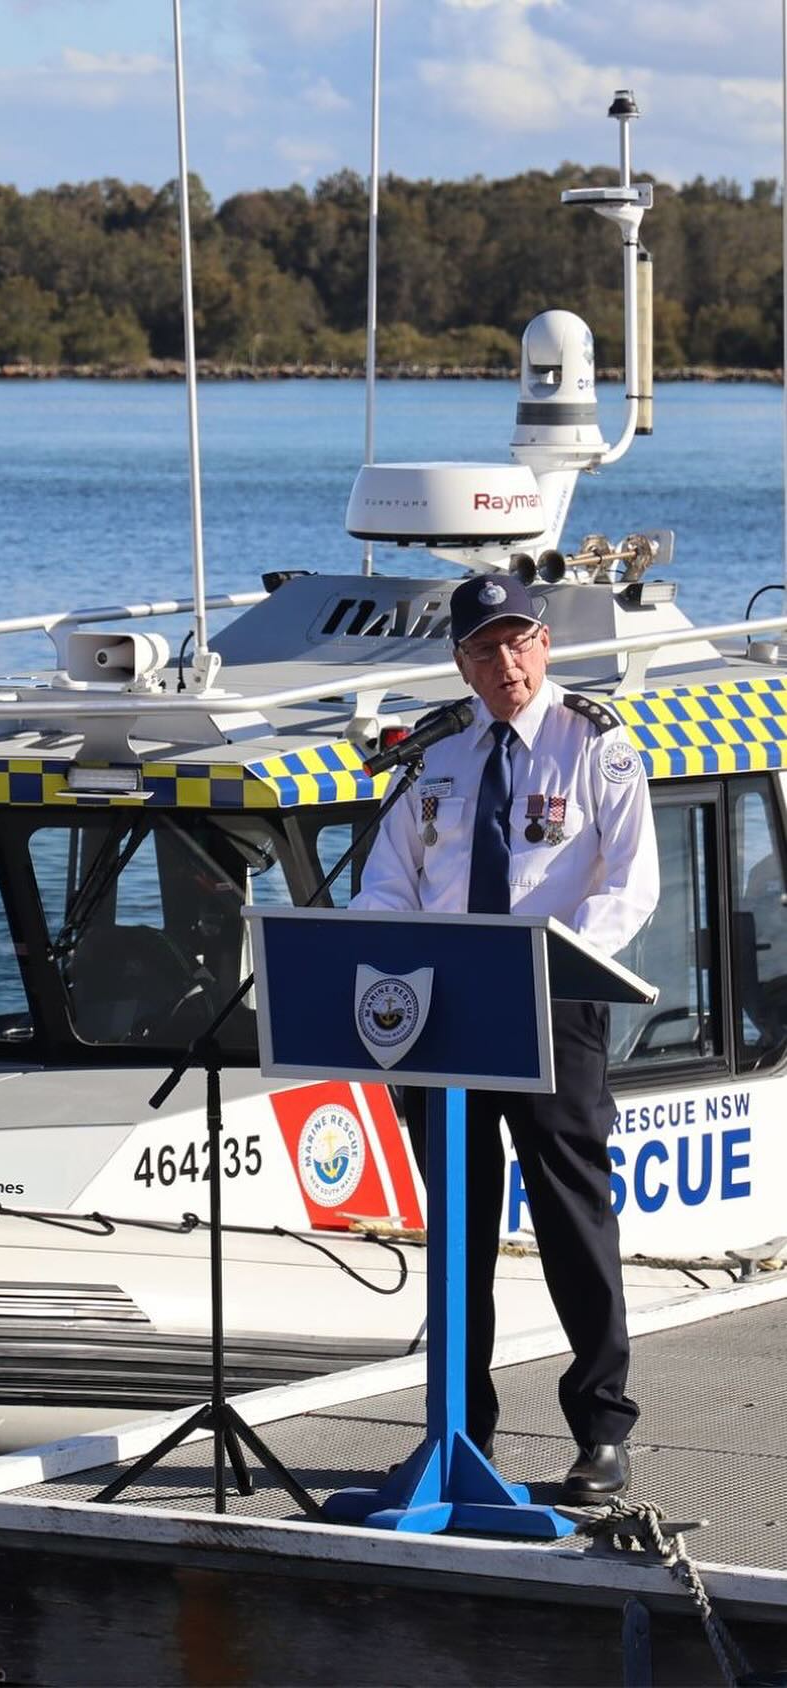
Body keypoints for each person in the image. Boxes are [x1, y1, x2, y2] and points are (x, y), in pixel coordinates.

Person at [351, 571, 659, 1500]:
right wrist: (384, 946)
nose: (506, 660)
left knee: (572, 1218)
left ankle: (602, 1428)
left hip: (551, 1008)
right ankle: (458, 1430)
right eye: (486, 647)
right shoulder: (435, 753)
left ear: (546, 646)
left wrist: (554, 963)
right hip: (441, 1014)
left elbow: (629, 884)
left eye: (520, 640)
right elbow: (388, 879)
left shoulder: (593, 746)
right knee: (458, 1229)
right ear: (462, 662)